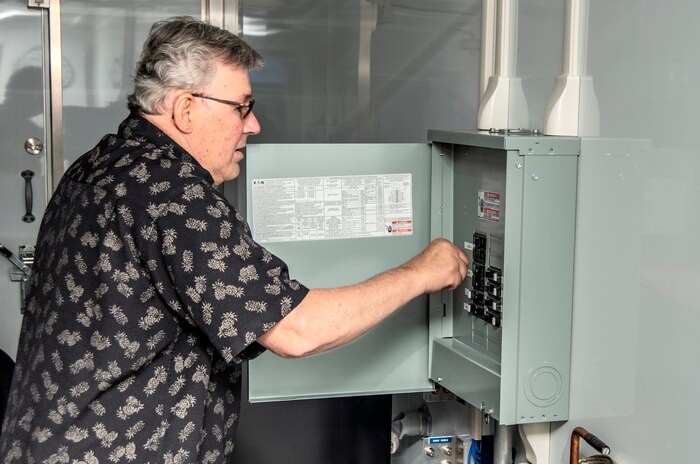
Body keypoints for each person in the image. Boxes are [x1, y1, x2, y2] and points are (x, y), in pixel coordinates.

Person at [0, 16, 468, 463]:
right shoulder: (173, 192)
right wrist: (422, 272)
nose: (253, 125)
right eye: (241, 107)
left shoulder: (98, 164)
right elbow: (297, 330)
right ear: (186, 109)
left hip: (42, 440)